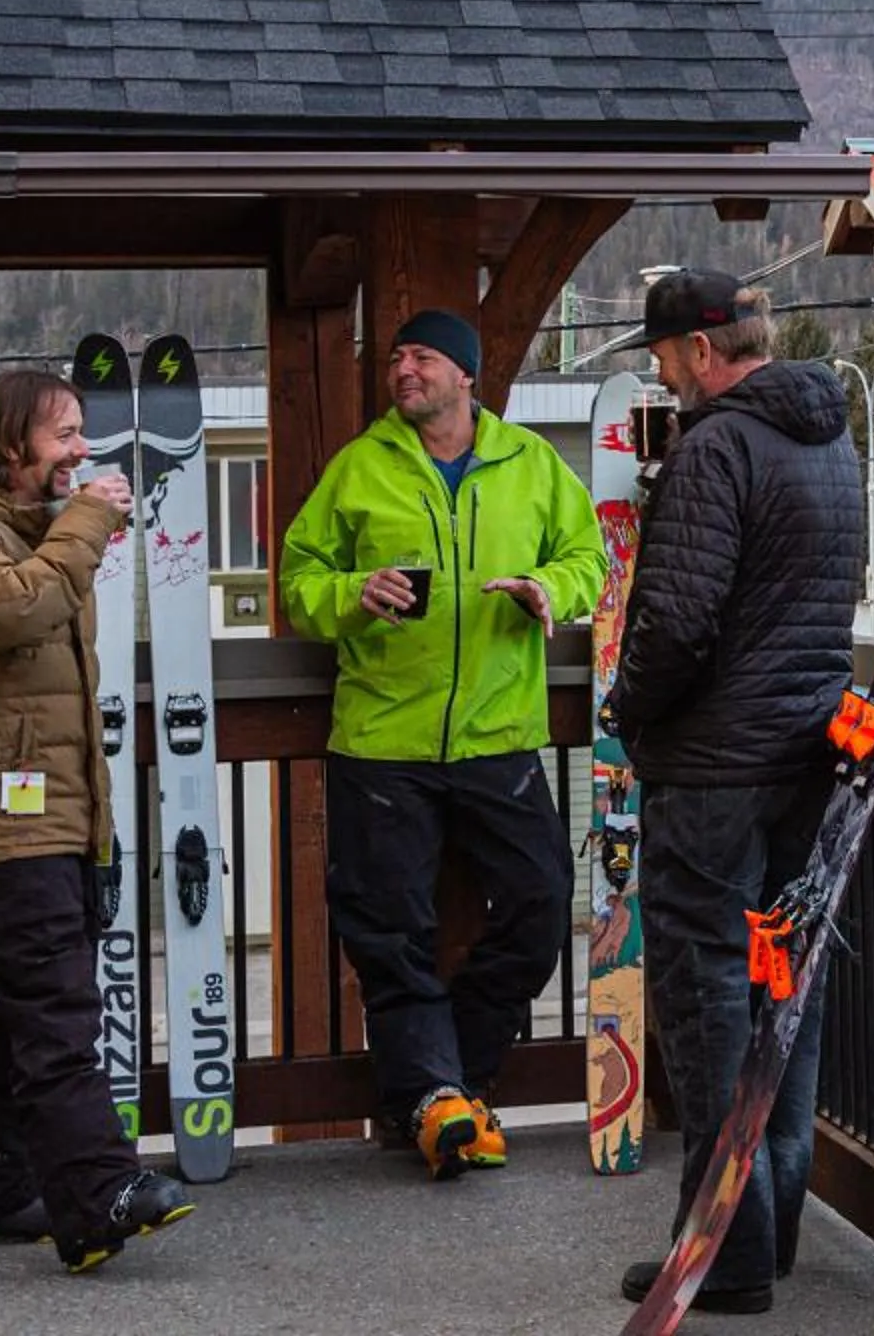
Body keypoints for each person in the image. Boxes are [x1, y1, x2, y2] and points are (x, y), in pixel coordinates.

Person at [279, 309, 606, 1178]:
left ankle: (453, 1074)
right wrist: (354, 592)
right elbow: (299, 581)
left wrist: (547, 588)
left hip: (500, 732)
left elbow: (589, 557)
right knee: (390, 932)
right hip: (381, 740)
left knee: (542, 904)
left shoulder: (530, 462)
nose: (404, 370)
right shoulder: (360, 468)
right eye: (396, 358)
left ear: (466, 375)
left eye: (422, 357)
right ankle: (435, 1100)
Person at [605, 269, 864, 1317]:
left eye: (665, 354)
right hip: (808, 763)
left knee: (707, 996)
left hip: (714, 771)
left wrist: (628, 708)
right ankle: (774, 1219)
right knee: (781, 987)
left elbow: (676, 620)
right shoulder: (829, 440)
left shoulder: (714, 447)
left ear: (704, 352)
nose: (662, 372)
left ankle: (724, 1249)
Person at [0, 367, 196, 1273]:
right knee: (59, 1012)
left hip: (52, 816)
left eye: (81, 433)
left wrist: (71, 524)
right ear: (9, 443)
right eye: (63, 435)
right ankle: (97, 1194)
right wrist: (84, 524)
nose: (81, 450)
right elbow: (12, 610)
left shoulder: (32, 529)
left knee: (26, 1012)